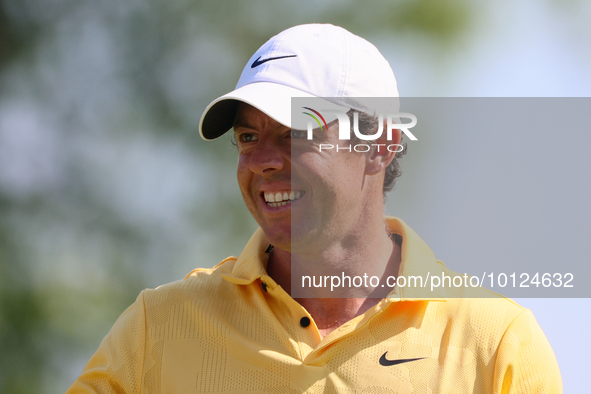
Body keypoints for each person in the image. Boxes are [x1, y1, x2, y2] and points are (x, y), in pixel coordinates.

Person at [67, 24, 562, 393]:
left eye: (295, 133)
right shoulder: (160, 327)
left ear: (380, 144)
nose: (260, 161)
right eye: (247, 137)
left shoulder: (495, 342)